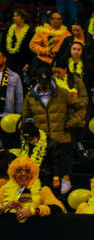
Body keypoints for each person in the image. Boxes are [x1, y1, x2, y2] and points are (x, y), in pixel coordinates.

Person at [23, 65, 85, 194]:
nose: (44, 85)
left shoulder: (62, 92)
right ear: (37, 80)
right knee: (44, 176)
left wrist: (70, 123)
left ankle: (64, 195)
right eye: (41, 82)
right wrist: (32, 132)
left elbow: (81, 107)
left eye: (46, 82)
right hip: (42, 141)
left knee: (64, 172)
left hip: (61, 136)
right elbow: (26, 117)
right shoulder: (30, 96)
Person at [1, 156, 65, 221]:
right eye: (19, 170)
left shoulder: (42, 189)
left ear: (33, 174)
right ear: (13, 174)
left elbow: (58, 207)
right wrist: (5, 207)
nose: (23, 174)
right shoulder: (5, 189)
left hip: (35, 229)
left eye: (28, 171)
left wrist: (34, 211)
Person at [5, 9, 34, 77]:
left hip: (22, 63)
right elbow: (3, 47)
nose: (14, 18)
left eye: (17, 16)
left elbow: (31, 50)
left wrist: (28, 63)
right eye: (14, 16)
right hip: (9, 62)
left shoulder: (30, 33)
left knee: (20, 84)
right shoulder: (8, 31)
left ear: (23, 18)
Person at [0, 47, 24, 116]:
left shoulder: (14, 76)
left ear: (4, 59)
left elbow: (19, 97)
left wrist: (19, 114)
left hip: (8, 115)